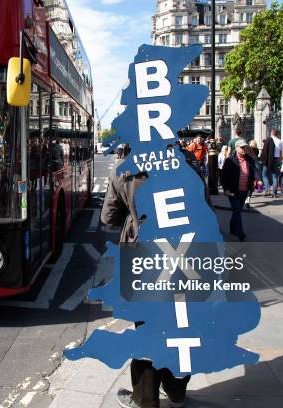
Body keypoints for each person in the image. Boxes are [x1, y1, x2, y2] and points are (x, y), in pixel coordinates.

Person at [102, 149, 190, 408]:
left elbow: (108, 217)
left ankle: (145, 399)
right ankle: (176, 390)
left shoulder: (122, 169)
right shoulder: (183, 163)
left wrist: (132, 216)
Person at [220, 139, 255, 241]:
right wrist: (225, 189)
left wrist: (257, 180)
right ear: (236, 148)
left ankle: (232, 229)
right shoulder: (230, 160)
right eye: (242, 147)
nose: (244, 149)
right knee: (237, 210)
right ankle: (240, 232)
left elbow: (254, 172)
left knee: (237, 211)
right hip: (233, 190)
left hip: (244, 190)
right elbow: (224, 176)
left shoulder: (250, 159)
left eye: (245, 147)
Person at [260, 129, 283, 198]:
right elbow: (281, 152)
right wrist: (280, 160)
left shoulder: (268, 140)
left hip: (268, 159)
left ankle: (267, 189)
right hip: (276, 159)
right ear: (277, 134)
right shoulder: (280, 141)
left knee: (264, 174)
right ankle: (274, 194)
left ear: (271, 133)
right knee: (275, 176)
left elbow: (264, 151)